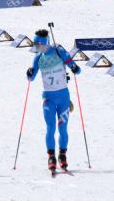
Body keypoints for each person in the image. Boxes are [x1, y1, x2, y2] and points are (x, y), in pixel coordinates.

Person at [25, 29, 81, 173]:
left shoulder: (59, 52)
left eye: (37, 44)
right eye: (34, 44)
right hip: (48, 98)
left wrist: (75, 68)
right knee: (51, 128)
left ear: (44, 43)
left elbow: (76, 69)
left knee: (63, 128)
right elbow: (31, 78)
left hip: (63, 98)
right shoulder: (38, 58)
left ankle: (62, 155)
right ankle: (51, 157)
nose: (36, 47)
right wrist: (29, 74)